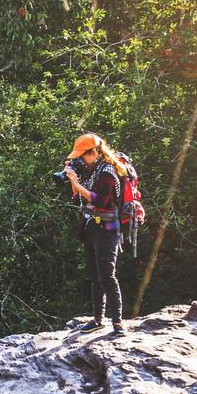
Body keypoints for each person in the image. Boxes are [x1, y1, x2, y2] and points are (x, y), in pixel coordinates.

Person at [63, 132, 131, 335]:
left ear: (94, 152)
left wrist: (77, 185)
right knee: (95, 275)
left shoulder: (108, 171)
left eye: (82, 155)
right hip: (91, 226)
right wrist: (74, 183)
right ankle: (98, 319)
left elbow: (99, 200)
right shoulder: (92, 170)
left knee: (107, 275)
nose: (81, 160)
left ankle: (118, 322)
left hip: (107, 229)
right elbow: (82, 199)